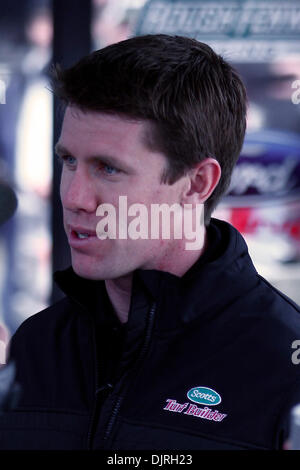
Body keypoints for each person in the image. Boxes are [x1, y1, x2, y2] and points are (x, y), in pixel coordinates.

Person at [0, 34, 299, 450]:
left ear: (197, 183)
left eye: (108, 168)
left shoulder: (282, 363)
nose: (74, 198)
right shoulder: (38, 344)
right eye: (69, 160)